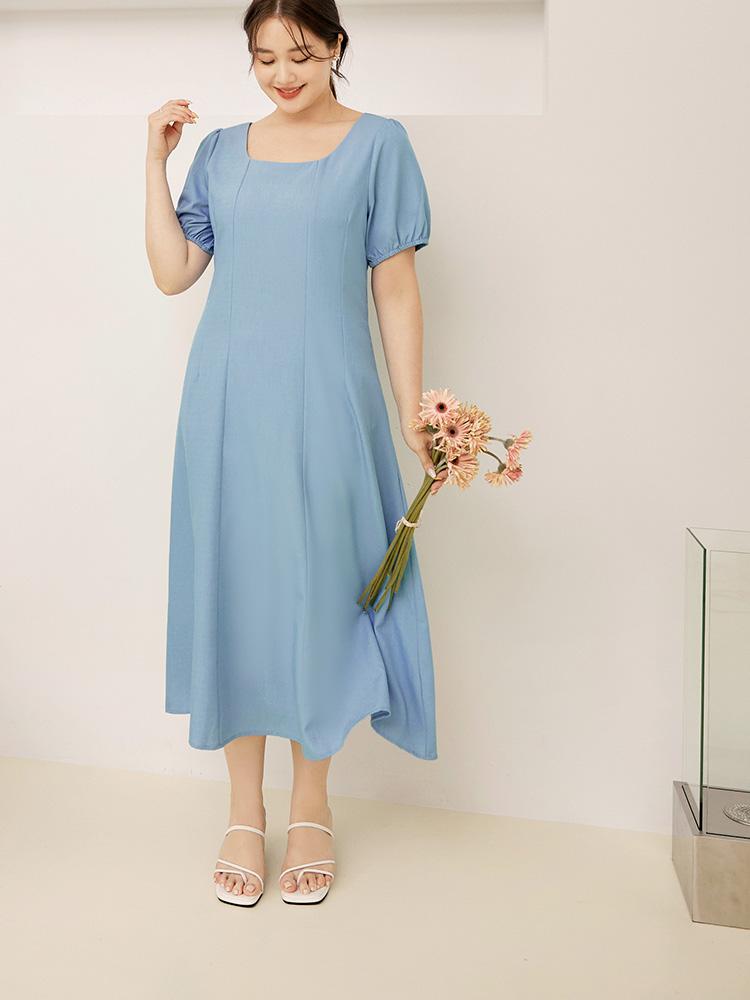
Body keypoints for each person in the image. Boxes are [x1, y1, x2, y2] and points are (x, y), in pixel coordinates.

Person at [145, 0, 447, 907]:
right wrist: (154, 164)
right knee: (237, 590)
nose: (283, 74)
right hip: (227, 405)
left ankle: (311, 804)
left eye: (303, 55)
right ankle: (245, 809)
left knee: (321, 593)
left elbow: (396, 286)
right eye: (265, 57)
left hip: (329, 402)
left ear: (337, 48)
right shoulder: (219, 151)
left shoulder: (379, 144)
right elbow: (173, 273)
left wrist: (412, 412)